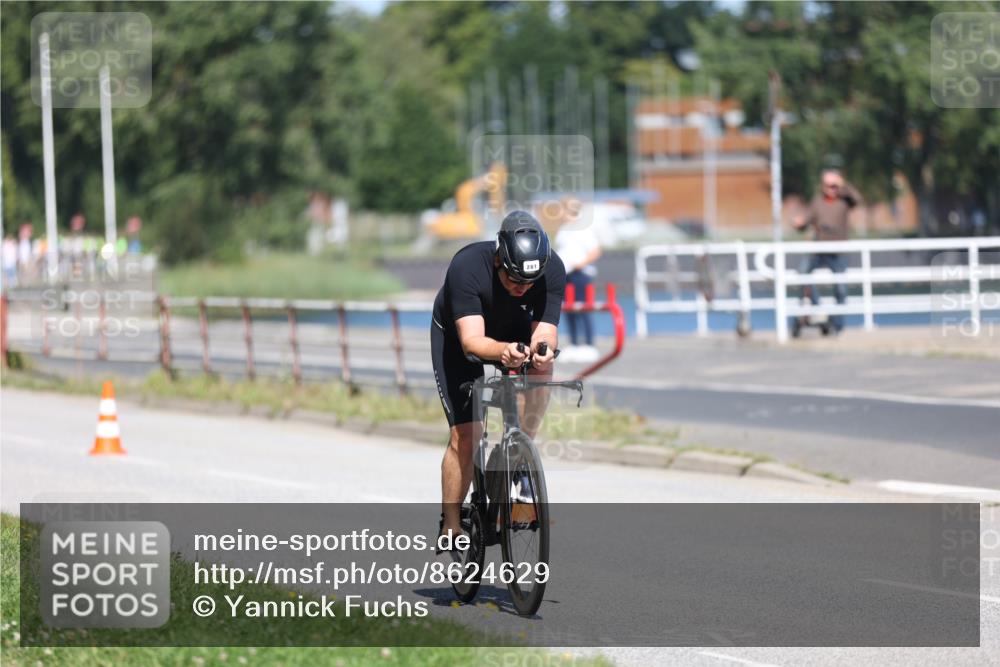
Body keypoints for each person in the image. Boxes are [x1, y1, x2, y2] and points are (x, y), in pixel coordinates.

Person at [431, 210, 565, 544]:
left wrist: (542, 351)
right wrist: (503, 351)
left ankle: (518, 453)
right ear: (497, 261)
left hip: (512, 327)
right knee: (467, 434)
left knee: (541, 366)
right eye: (513, 279)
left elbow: (545, 333)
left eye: (529, 282)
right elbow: (472, 343)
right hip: (461, 335)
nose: (522, 288)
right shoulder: (467, 267)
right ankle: (451, 523)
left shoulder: (553, 269)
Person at [792, 169, 862, 333]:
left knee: (841, 288)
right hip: (819, 250)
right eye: (828, 185)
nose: (831, 189)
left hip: (838, 252)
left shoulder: (844, 200)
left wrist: (843, 185)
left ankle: (837, 325)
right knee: (803, 274)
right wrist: (800, 223)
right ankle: (819, 310)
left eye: (834, 185)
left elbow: (857, 199)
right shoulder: (817, 202)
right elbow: (806, 221)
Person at [554, 201, 603, 362]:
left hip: (580, 274)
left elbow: (595, 251)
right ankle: (574, 343)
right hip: (566, 274)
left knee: (583, 308)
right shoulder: (563, 230)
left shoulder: (583, 229)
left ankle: (589, 344)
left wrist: (580, 264)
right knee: (569, 309)